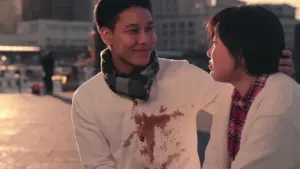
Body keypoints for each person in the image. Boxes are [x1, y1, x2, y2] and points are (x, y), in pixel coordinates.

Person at [71, 1, 294, 169]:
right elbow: (98, 164)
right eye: (133, 31)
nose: (146, 39)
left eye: (150, 28)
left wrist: (267, 73)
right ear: (106, 35)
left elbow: (242, 97)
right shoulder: (87, 99)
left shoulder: (182, 74)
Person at [203, 6, 300, 169]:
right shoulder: (232, 94)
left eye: (215, 44)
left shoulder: (279, 108)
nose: (208, 53)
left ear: (240, 54)